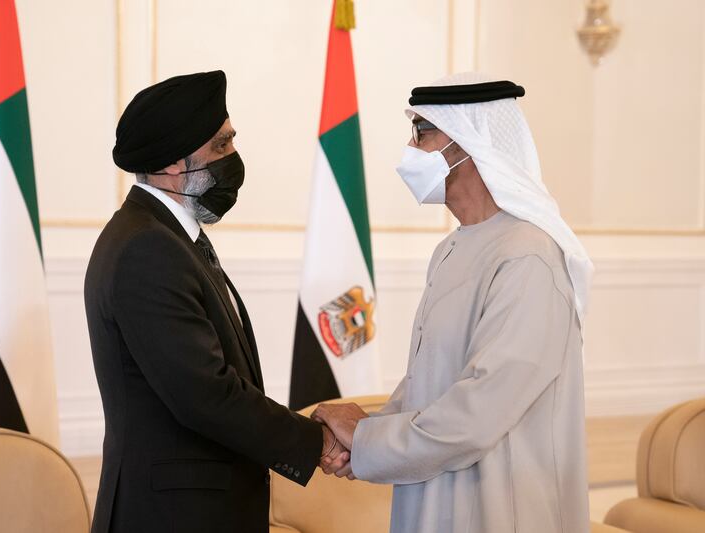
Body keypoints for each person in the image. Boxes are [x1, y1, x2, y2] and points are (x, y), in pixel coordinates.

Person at [314, 72, 595, 533]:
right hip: (436, 495)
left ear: (467, 142)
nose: (410, 148)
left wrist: (365, 439)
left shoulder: (529, 256)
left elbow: (479, 412)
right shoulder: (451, 249)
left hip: (500, 511)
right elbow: (428, 386)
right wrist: (361, 435)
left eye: (422, 132)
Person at [84, 70, 347, 533]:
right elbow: (205, 394)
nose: (234, 159)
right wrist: (317, 442)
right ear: (170, 163)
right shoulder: (147, 248)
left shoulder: (164, 237)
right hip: (171, 518)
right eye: (220, 147)